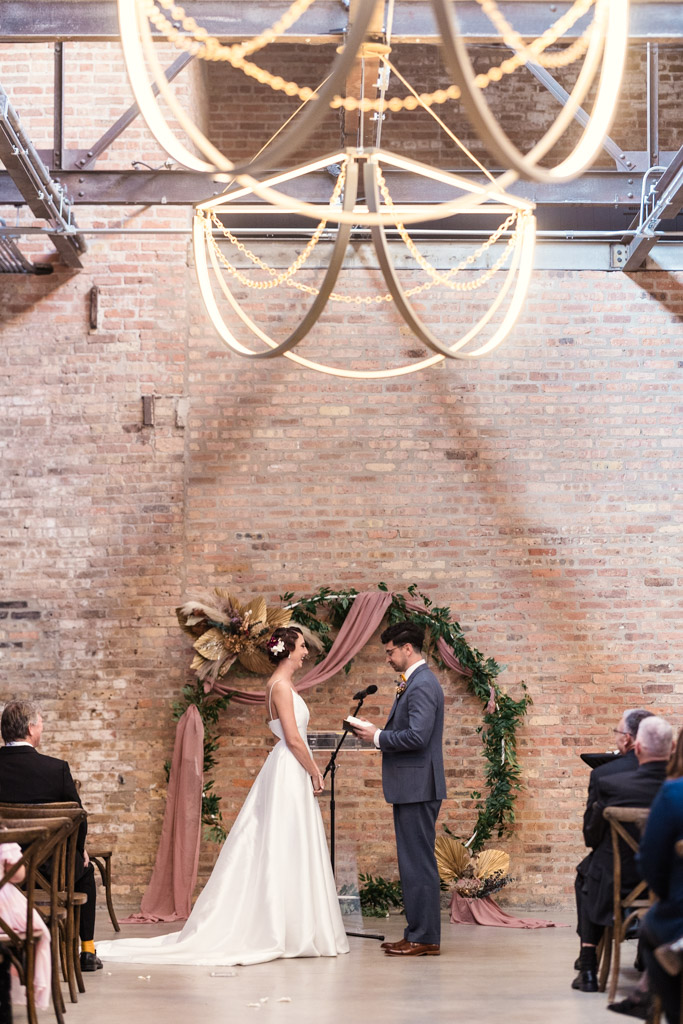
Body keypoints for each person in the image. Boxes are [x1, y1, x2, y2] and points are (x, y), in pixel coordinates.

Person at [97, 626, 349, 966]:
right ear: (288, 650)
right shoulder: (283, 688)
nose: (306, 651)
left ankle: (293, 923)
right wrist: (315, 770)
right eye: (303, 646)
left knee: (286, 842)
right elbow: (292, 737)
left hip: (284, 768)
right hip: (290, 768)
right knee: (287, 841)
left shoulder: (275, 685)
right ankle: (288, 927)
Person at [351, 620, 445, 957]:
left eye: (391, 652)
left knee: (418, 864)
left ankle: (425, 938)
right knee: (412, 863)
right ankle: (417, 933)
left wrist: (376, 736)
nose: (388, 658)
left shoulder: (421, 684)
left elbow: (418, 737)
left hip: (418, 786)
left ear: (408, 648)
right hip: (413, 786)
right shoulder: (416, 681)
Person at [573, 715, 673, 993]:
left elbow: (590, 838)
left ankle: (589, 964)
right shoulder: (676, 787)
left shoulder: (607, 779)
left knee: (587, 874)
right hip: (668, 886)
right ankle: (648, 951)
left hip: (616, 883)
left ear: (634, 743)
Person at [0, 699, 100, 972]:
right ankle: (87, 951)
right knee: (86, 871)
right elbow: (78, 818)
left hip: (4, 871)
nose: (42, 730)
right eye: (41, 723)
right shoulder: (56, 769)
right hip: (51, 870)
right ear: (31, 729)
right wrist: (79, 851)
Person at [634, 729, 683, 1024]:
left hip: (677, 915)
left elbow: (651, 865)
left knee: (652, 928)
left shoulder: (673, 794)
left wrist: (667, 895)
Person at [0, 841, 51, 1012]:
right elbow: (18, 875)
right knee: (30, 929)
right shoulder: (4, 832)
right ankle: (16, 969)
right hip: (4, 914)